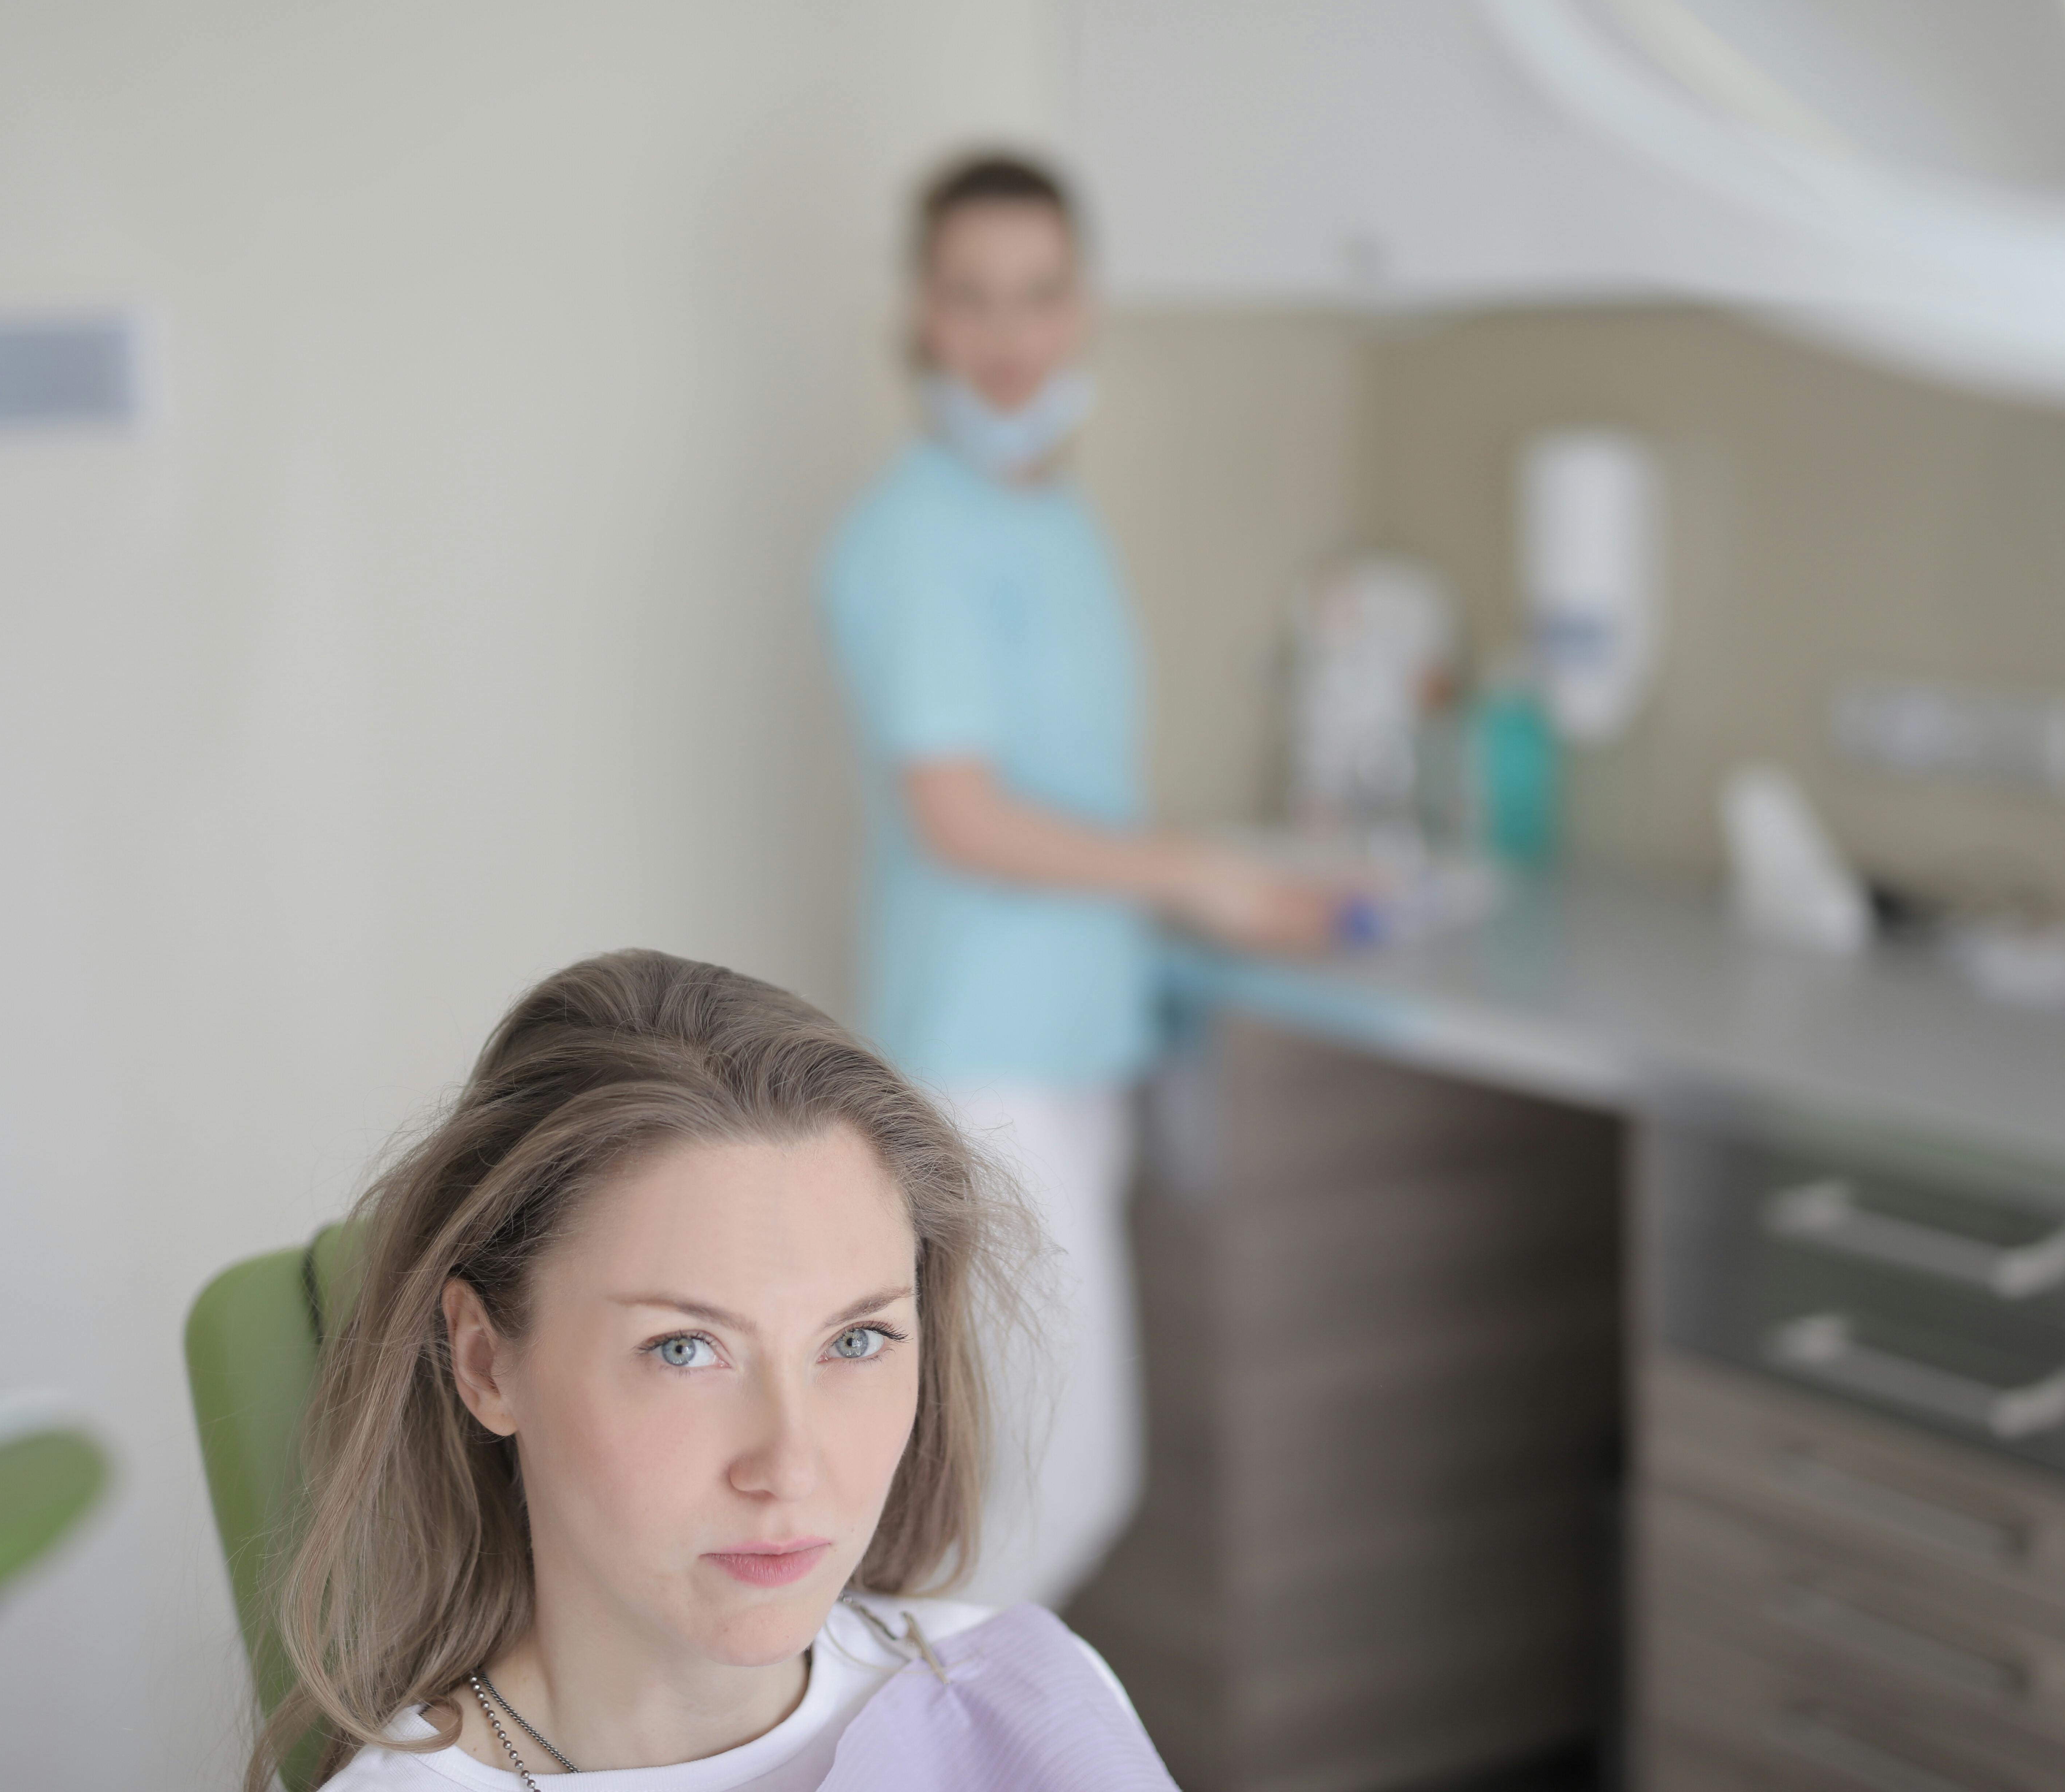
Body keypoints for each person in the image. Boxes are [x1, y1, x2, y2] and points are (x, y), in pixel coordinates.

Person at [277, 950, 1177, 1792]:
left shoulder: (1024, 1698)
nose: (790, 1466)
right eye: (684, 1349)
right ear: (485, 1363)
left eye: (857, 1340)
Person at [820, 153, 1340, 1608]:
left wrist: (1219, 888)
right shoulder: (912, 534)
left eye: (1039, 294)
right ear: (923, 315)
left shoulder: (1055, 518)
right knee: (1036, 1504)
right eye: (972, 297)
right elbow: (962, 816)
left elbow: (1075, 792)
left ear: (1087, 307)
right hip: (979, 1060)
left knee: (1021, 1500)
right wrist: (1199, 877)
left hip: (1074, 1044)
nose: (1009, 334)